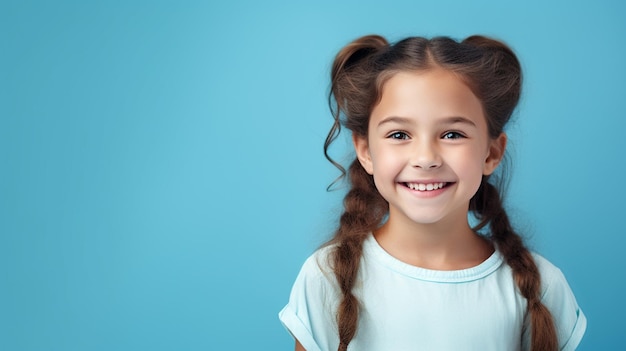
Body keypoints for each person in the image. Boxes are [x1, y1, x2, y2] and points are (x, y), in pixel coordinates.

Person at [279, 34, 586, 351]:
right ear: (366, 150)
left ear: (492, 153)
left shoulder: (541, 287)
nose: (426, 158)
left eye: (452, 134)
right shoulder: (326, 278)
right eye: (399, 134)